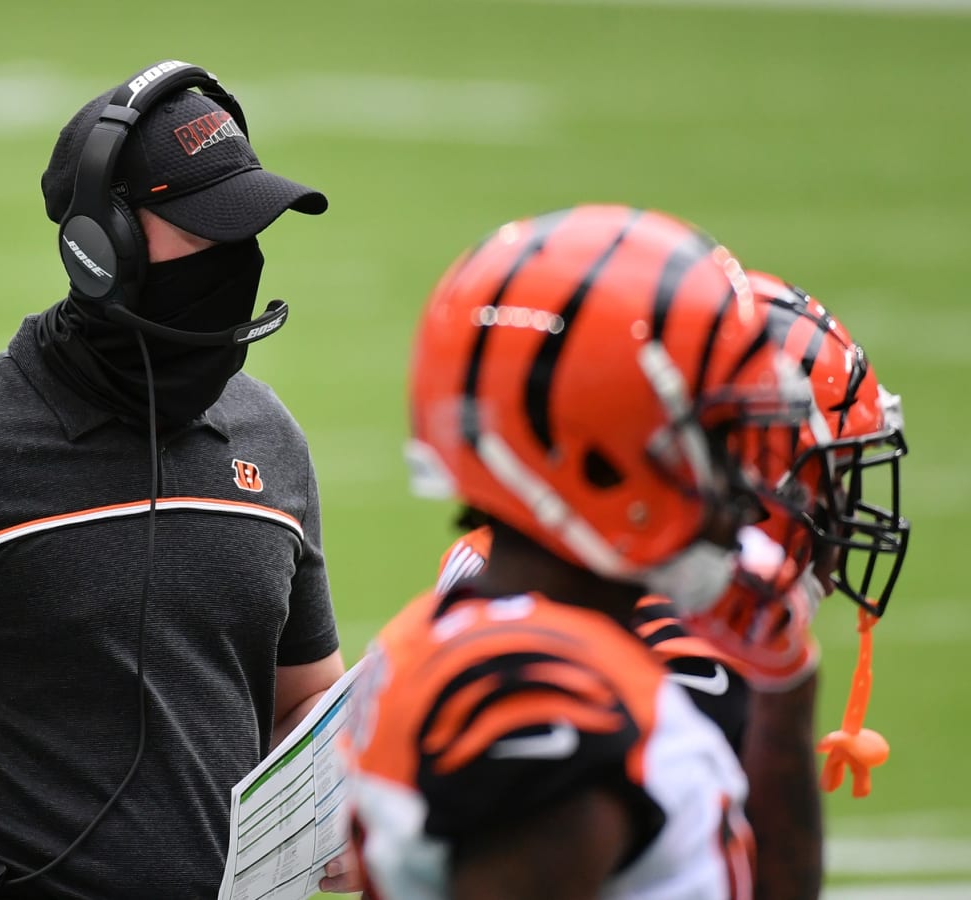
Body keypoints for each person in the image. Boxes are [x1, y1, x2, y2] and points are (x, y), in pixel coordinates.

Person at [0, 58, 359, 899]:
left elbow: (303, 702)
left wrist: (340, 805)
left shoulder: (272, 441)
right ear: (99, 246)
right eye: (204, 232)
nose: (236, 261)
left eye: (246, 233)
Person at [344, 203, 827, 899]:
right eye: (718, 442)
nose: (745, 493)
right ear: (603, 453)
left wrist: (784, 697)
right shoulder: (540, 689)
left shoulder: (522, 634)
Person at [425, 269, 911, 899]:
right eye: (827, 475)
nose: (840, 513)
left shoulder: (503, 564)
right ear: (732, 473)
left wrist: (787, 687)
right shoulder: (669, 667)